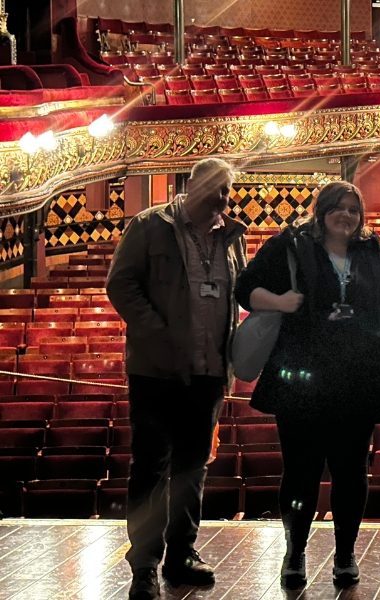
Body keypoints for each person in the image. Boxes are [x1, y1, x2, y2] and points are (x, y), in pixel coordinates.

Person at [234, 181, 380, 590]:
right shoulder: (290, 245)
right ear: (321, 210)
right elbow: (245, 289)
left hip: (357, 381)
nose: (345, 216)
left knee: (350, 474)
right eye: (337, 208)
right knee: (301, 473)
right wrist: (279, 302)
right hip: (303, 382)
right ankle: (294, 553)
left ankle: (345, 555)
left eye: (353, 209)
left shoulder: (375, 252)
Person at [106, 158, 247, 600]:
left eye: (228, 192)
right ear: (195, 185)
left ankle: (182, 554)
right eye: (217, 189)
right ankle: (144, 563)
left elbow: (235, 297)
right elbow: (121, 285)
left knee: (192, 469)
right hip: (157, 370)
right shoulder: (151, 226)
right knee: (151, 467)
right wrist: (158, 334)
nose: (224, 199)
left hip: (208, 371)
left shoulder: (232, 236)